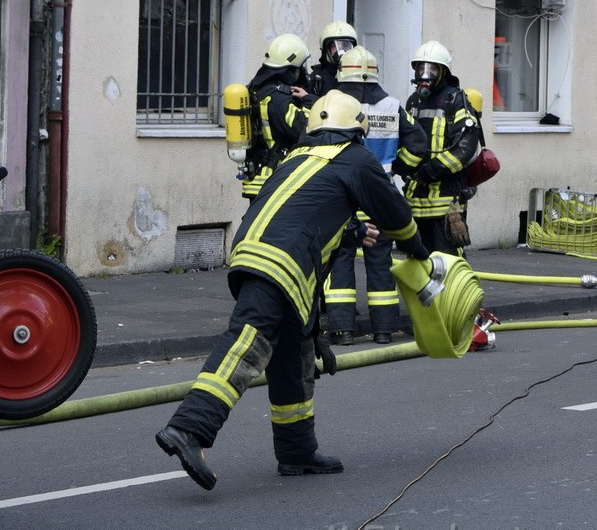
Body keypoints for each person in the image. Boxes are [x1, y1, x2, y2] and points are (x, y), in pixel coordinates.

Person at [156, 90, 433, 491]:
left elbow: (311, 220)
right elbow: (396, 215)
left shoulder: (296, 160)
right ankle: (190, 428)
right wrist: (420, 253)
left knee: (292, 352)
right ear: (356, 131)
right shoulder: (355, 158)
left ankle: (296, 452)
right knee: (248, 341)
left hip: (257, 252)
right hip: (280, 261)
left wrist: (351, 237)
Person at [324, 46, 428, 346]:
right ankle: (383, 330)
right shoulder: (392, 106)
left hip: (344, 200)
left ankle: (343, 331)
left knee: (340, 260)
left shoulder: (335, 105)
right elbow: (418, 142)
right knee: (380, 263)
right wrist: (396, 168)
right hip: (381, 199)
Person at [394, 40, 481, 256]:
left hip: (447, 197)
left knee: (448, 259)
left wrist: (431, 170)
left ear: (442, 71)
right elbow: (404, 139)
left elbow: (465, 148)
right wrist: (402, 167)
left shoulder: (457, 100)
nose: (425, 74)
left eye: (431, 69)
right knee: (418, 257)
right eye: (420, 68)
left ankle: (453, 292)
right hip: (417, 195)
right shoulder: (413, 101)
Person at [241, 33, 317, 200]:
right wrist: (308, 100)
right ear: (290, 69)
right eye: (299, 69)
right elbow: (302, 129)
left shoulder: (256, 89)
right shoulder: (278, 99)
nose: (301, 73)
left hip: (257, 178)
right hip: (274, 179)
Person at [307, 20, 357, 96]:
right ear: (326, 50)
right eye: (335, 46)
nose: (342, 51)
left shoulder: (359, 76)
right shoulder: (316, 80)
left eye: (346, 45)